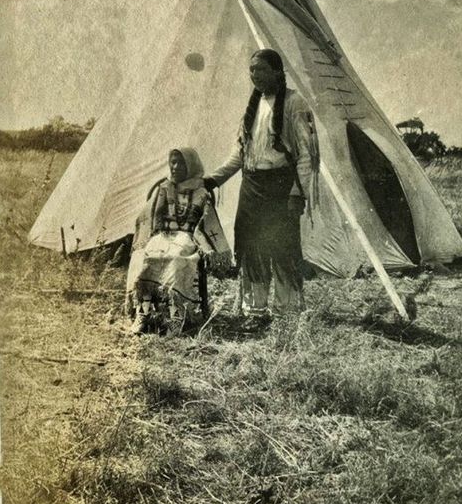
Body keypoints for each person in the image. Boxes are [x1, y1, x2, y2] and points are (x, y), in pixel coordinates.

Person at [204, 49, 319, 325]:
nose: (255, 75)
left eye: (261, 69)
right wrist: (214, 179)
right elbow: (240, 154)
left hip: (281, 186)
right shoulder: (252, 106)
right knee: (252, 245)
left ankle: (287, 312)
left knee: (282, 247)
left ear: (278, 72)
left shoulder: (294, 104)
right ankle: (254, 310)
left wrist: (297, 192)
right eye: (252, 70)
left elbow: (306, 155)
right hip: (252, 185)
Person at [126, 147, 230, 335]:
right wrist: (150, 237)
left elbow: (206, 223)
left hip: (187, 237)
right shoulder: (164, 188)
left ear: (190, 166)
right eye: (172, 162)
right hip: (163, 235)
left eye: (179, 163)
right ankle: (144, 313)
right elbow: (148, 217)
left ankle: (175, 317)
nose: (174, 167)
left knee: (177, 257)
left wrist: (205, 246)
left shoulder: (201, 192)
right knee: (146, 256)